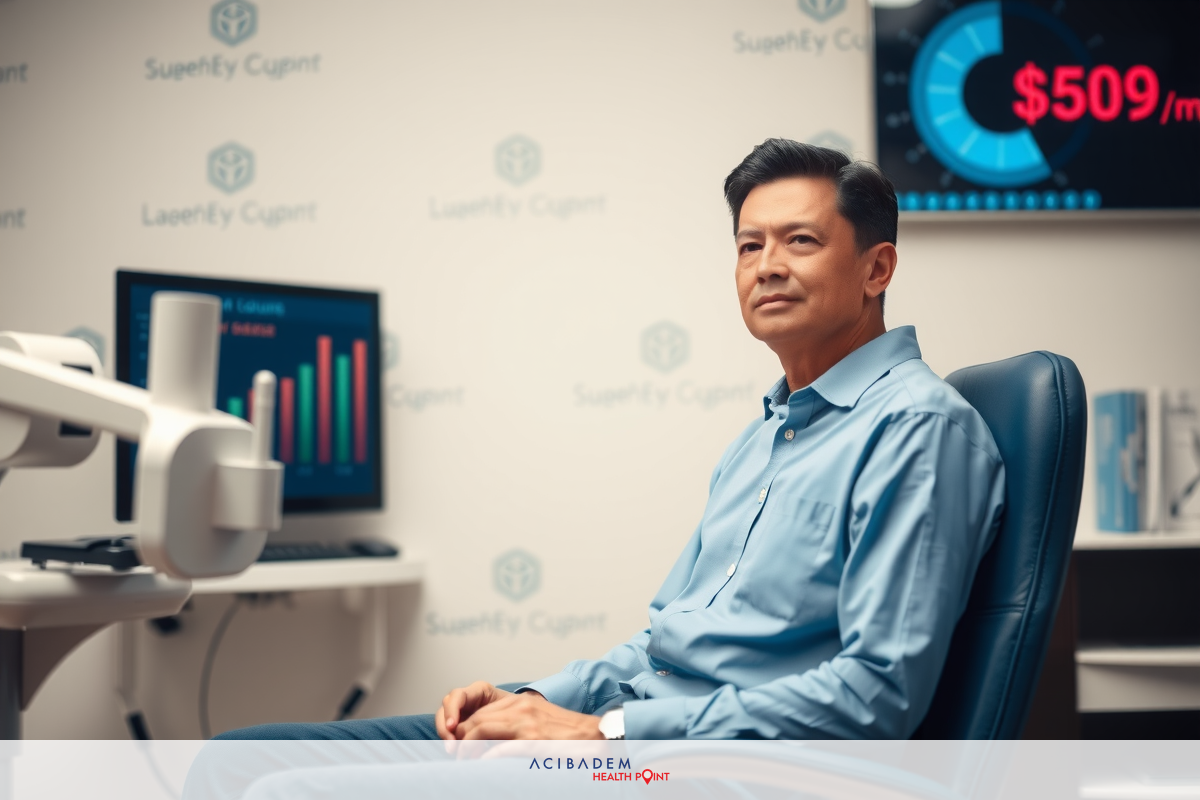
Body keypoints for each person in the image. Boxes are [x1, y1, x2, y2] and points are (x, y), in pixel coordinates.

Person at [216, 138, 1005, 742]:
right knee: (242, 758)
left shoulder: (916, 429)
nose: (766, 267)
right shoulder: (766, 434)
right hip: (626, 736)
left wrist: (603, 734)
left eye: (799, 241)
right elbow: (663, 649)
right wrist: (538, 697)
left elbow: (878, 695)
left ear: (877, 269)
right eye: (748, 245)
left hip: (689, 762)